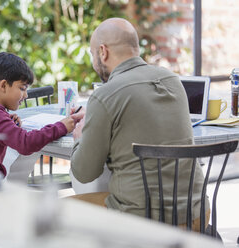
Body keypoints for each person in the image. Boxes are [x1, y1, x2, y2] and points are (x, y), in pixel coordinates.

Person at [69, 18, 209, 230]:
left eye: (92, 54)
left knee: (53, 214)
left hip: (140, 221)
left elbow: (84, 172)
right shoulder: (172, 81)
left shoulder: (104, 96)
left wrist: (80, 138)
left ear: (103, 51)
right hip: (196, 215)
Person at [0, 52, 75, 177]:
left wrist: (9, 124)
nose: (26, 95)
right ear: (3, 85)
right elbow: (26, 143)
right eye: (22, 88)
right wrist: (62, 126)